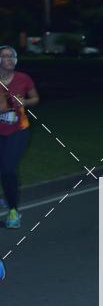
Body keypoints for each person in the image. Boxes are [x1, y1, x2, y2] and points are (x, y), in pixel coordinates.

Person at [0, 45, 39, 229]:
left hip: (18, 130)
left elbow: (35, 98)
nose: (9, 59)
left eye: (12, 56)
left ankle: (13, 211)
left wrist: (24, 102)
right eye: (5, 56)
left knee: (8, 169)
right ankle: (7, 197)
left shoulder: (23, 78)